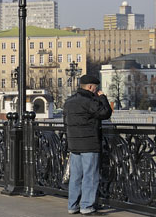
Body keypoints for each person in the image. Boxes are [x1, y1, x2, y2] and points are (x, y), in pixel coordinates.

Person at [63, 74, 113, 215]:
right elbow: (105, 113)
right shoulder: (89, 101)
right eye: (95, 88)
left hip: (74, 143)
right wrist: (102, 97)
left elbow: (65, 121)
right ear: (91, 87)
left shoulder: (69, 101)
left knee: (76, 176)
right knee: (90, 176)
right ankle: (87, 206)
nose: (96, 90)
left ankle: (72, 206)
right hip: (89, 143)